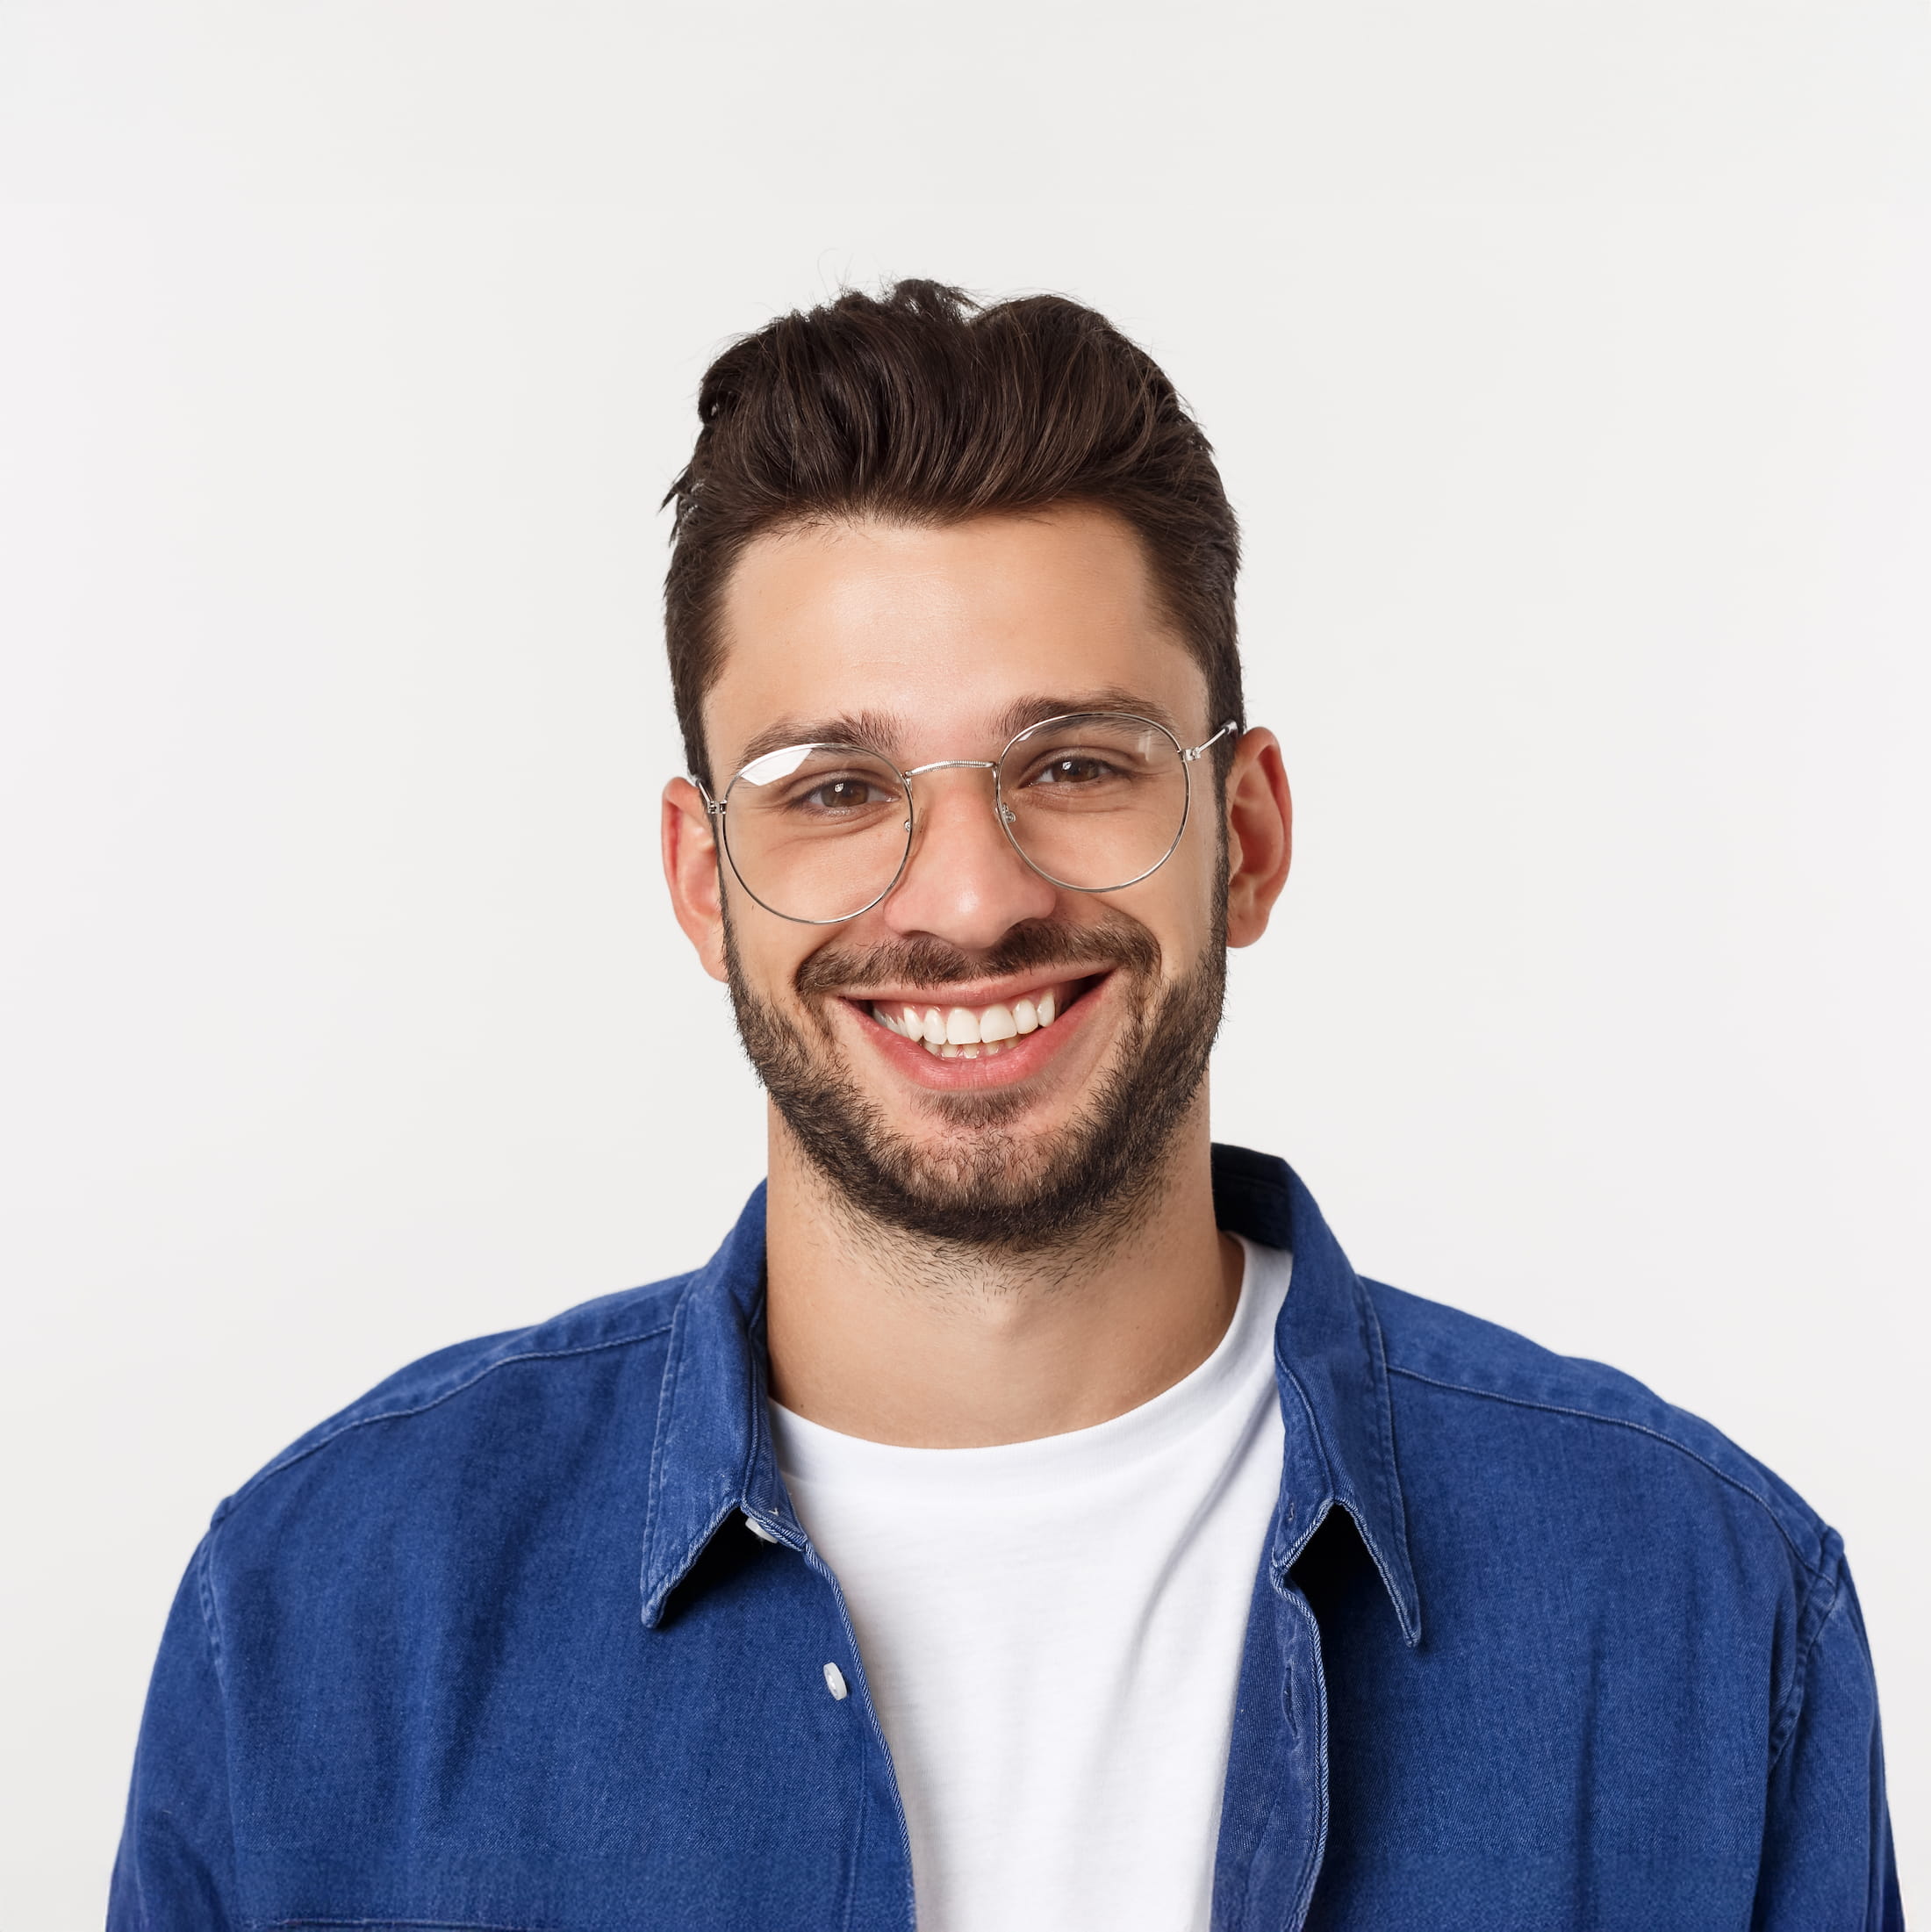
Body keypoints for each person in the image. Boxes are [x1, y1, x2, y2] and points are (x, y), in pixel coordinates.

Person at [111, 281, 1900, 1932]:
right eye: (833, 789)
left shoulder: (1690, 1612)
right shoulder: (328, 1618)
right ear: (697, 879)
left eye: (1072, 766)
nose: (963, 898)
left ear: (1245, 835)